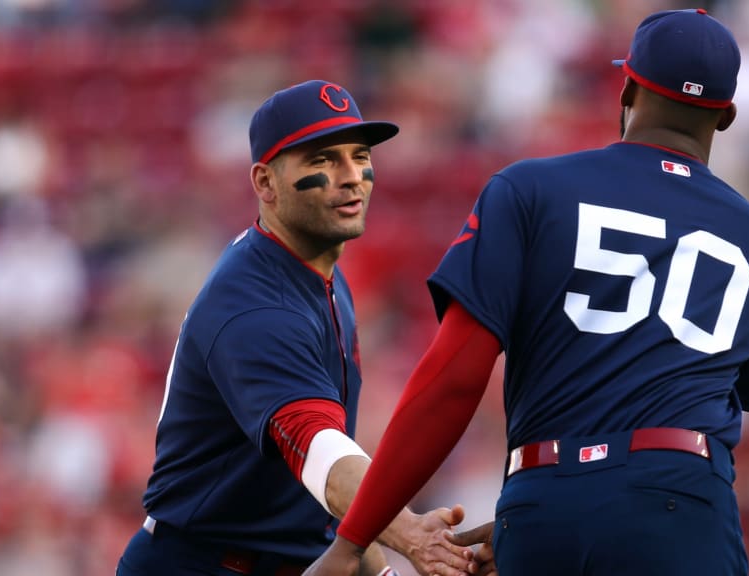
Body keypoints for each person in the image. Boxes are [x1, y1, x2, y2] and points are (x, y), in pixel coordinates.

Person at [305, 8, 749, 576]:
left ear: (629, 87)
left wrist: (354, 540)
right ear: (727, 116)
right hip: (683, 508)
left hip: (546, 498)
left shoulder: (529, 189)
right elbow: (682, 413)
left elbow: (452, 381)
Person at [116, 79, 481, 576]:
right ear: (265, 183)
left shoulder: (316, 272)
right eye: (322, 160)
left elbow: (324, 492)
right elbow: (322, 457)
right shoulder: (256, 305)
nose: (352, 176)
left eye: (358, 155)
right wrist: (411, 533)